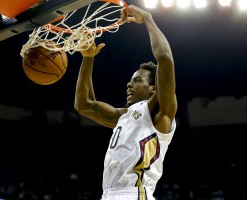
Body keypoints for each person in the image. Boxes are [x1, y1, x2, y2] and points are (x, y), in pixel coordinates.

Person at [74, 4, 177, 200]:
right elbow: (84, 104)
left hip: (134, 193)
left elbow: (165, 58)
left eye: (137, 80)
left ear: (154, 88)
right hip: (109, 194)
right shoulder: (124, 117)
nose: (129, 85)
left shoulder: (159, 111)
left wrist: (147, 18)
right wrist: (88, 58)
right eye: (130, 80)